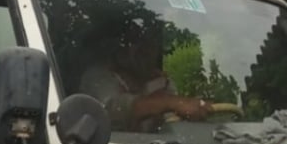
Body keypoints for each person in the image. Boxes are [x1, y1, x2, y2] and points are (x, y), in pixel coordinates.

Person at [79, 22, 212, 131]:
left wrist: (195, 109)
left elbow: (174, 123)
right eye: (135, 44)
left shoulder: (161, 82)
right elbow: (114, 110)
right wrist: (170, 102)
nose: (145, 51)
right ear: (118, 48)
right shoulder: (97, 77)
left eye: (151, 45)